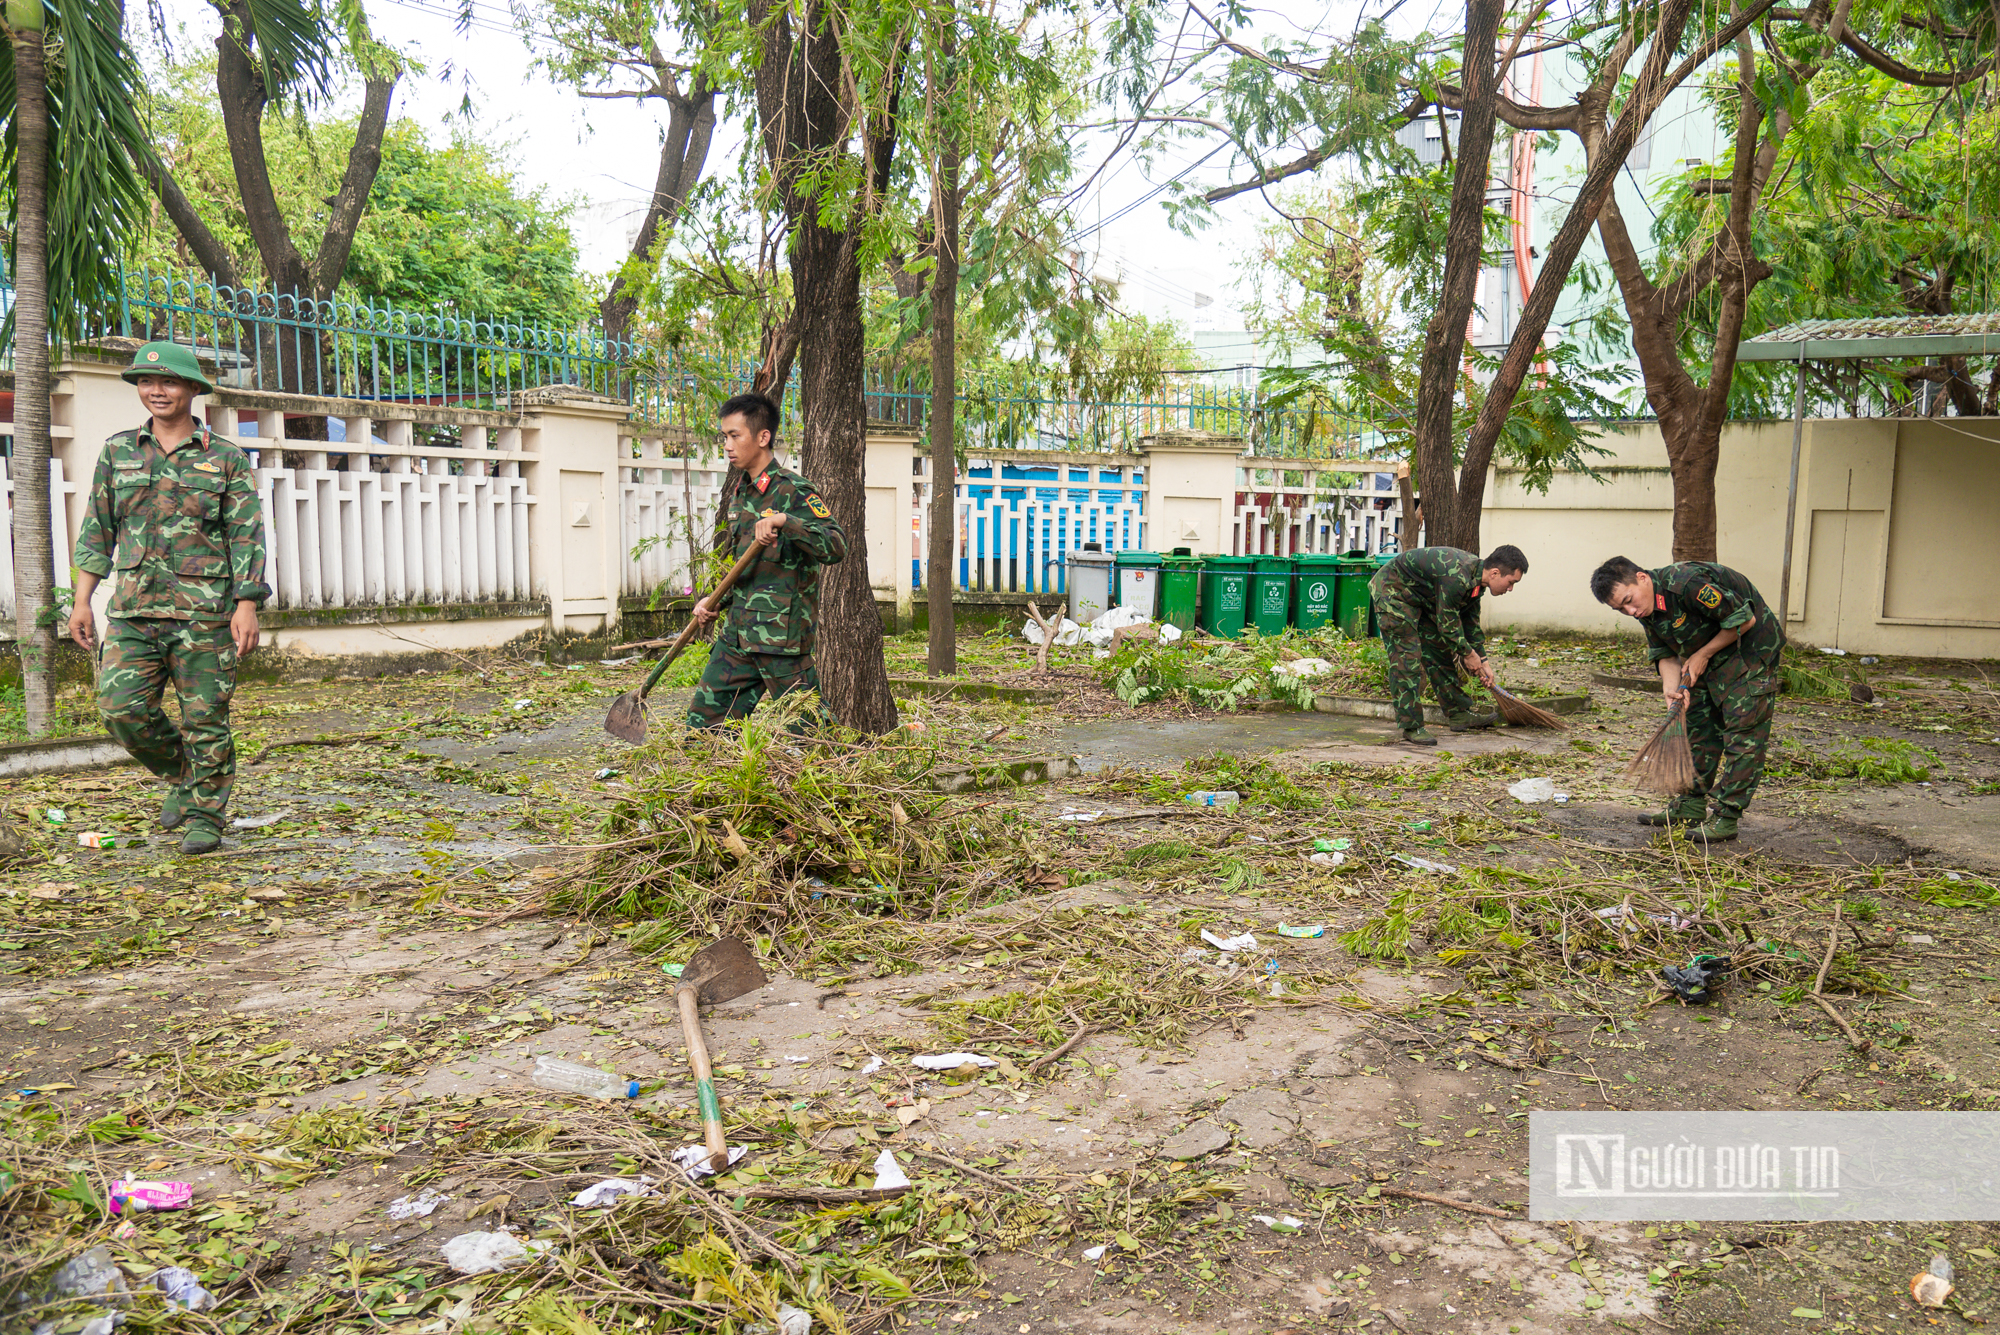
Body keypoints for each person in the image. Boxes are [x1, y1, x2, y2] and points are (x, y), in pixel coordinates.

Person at [68, 342, 269, 855]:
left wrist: (247, 604)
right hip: (134, 610)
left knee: (206, 720)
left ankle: (205, 816)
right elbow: (97, 529)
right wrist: (82, 600)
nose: (156, 391)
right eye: (146, 382)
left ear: (193, 388)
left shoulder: (224, 458)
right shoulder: (117, 451)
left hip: (205, 613)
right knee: (120, 709)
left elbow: (246, 535)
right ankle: (185, 774)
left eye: (169, 381)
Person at [1590, 555, 1785, 843]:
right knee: (1699, 726)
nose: (1630, 611)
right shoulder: (1646, 608)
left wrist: (1703, 654)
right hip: (1707, 657)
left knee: (1742, 734)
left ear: (1642, 578)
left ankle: (1727, 814)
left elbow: (1745, 620)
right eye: (1621, 609)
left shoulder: (1687, 584)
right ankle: (1690, 804)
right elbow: (1665, 653)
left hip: (1750, 653)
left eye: (1629, 600)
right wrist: (1672, 691)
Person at [685, 393, 846, 729]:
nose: (727, 446)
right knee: (704, 728)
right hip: (737, 638)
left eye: (735, 435)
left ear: (763, 437)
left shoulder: (794, 490)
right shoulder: (740, 493)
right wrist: (716, 601)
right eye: (724, 437)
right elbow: (744, 566)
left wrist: (787, 521)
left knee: (811, 733)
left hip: (780, 640)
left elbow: (835, 545)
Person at [1370, 545, 1529, 745]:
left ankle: (1459, 714)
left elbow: (1470, 625)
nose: (1511, 589)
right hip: (1393, 591)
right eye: (1511, 582)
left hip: (1421, 597)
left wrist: (1483, 661)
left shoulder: (1476, 583)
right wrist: (1468, 654)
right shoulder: (1457, 577)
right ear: (1495, 573)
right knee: (1406, 657)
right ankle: (1411, 726)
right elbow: (1447, 626)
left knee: (1438, 651)